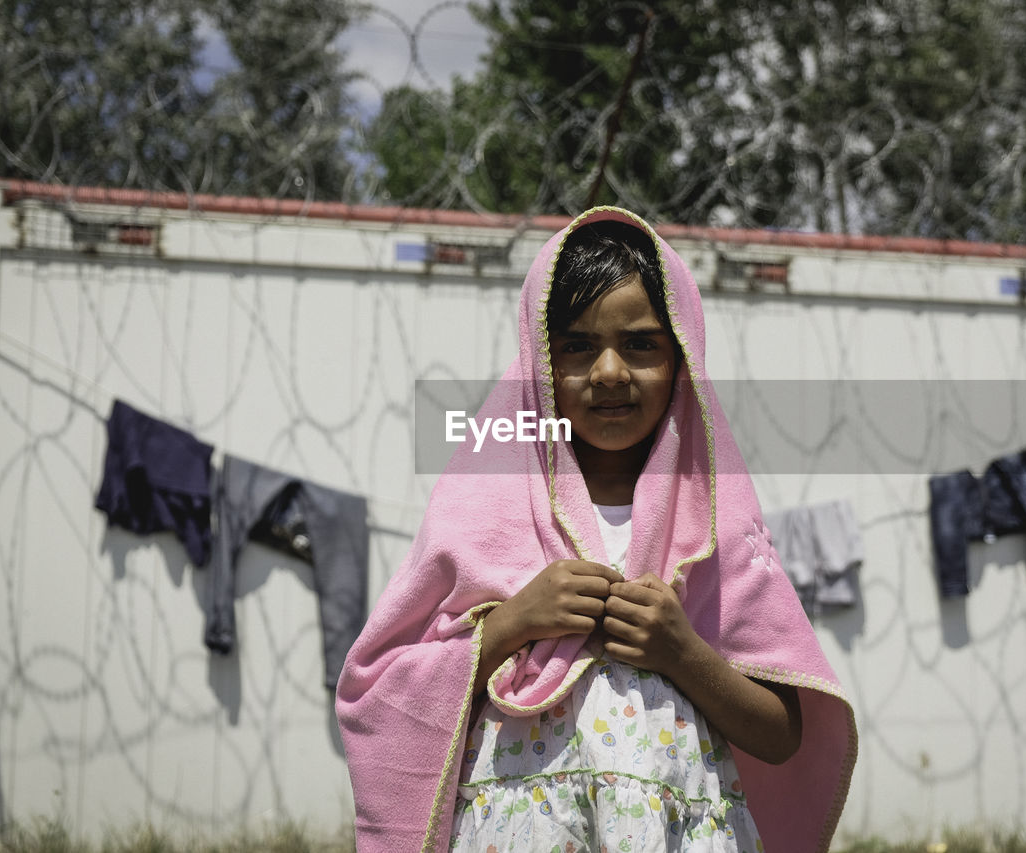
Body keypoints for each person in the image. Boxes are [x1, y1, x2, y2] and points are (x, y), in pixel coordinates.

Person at [335, 207, 856, 852]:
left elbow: (781, 733)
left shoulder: (716, 524)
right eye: (577, 346)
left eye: (640, 343)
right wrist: (511, 623)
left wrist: (681, 651)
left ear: (683, 357)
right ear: (539, 361)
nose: (609, 371)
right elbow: (379, 688)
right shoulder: (480, 505)